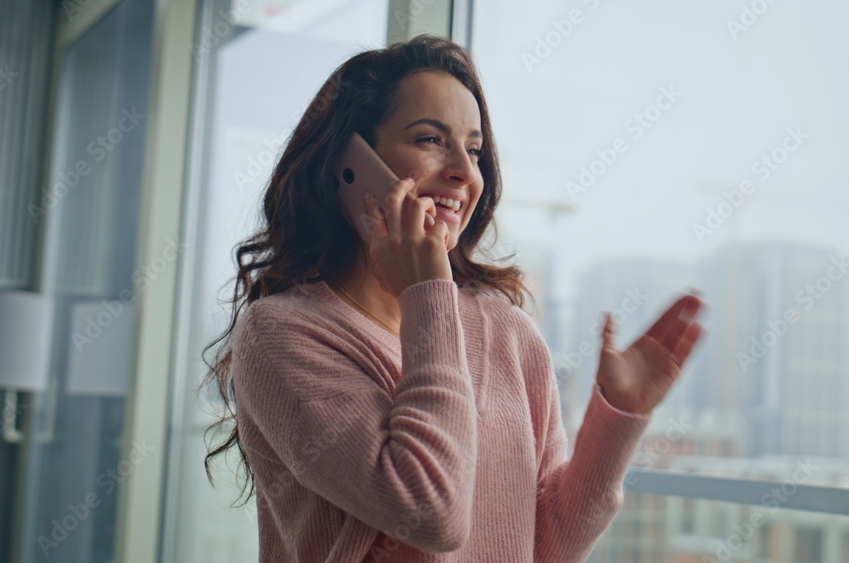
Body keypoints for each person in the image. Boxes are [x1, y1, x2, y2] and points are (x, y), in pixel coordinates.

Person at [200, 34, 705, 562]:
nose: (464, 171)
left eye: (474, 149)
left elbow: (547, 547)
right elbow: (429, 512)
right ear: (348, 163)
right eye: (430, 139)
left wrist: (617, 417)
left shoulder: (509, 332)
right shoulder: (281, 334)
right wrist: (427, 294)